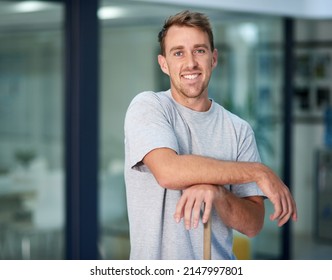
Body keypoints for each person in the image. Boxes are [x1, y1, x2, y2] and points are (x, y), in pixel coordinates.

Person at [124, 10, 297, 260]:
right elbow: (168, 172)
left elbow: (253, 224)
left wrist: (218, 194)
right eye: (178, 52)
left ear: (213, 58)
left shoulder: (238, 130)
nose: (190, 63)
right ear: (164, 63)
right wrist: (260, 171)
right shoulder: (148, 107)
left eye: (199, 50)